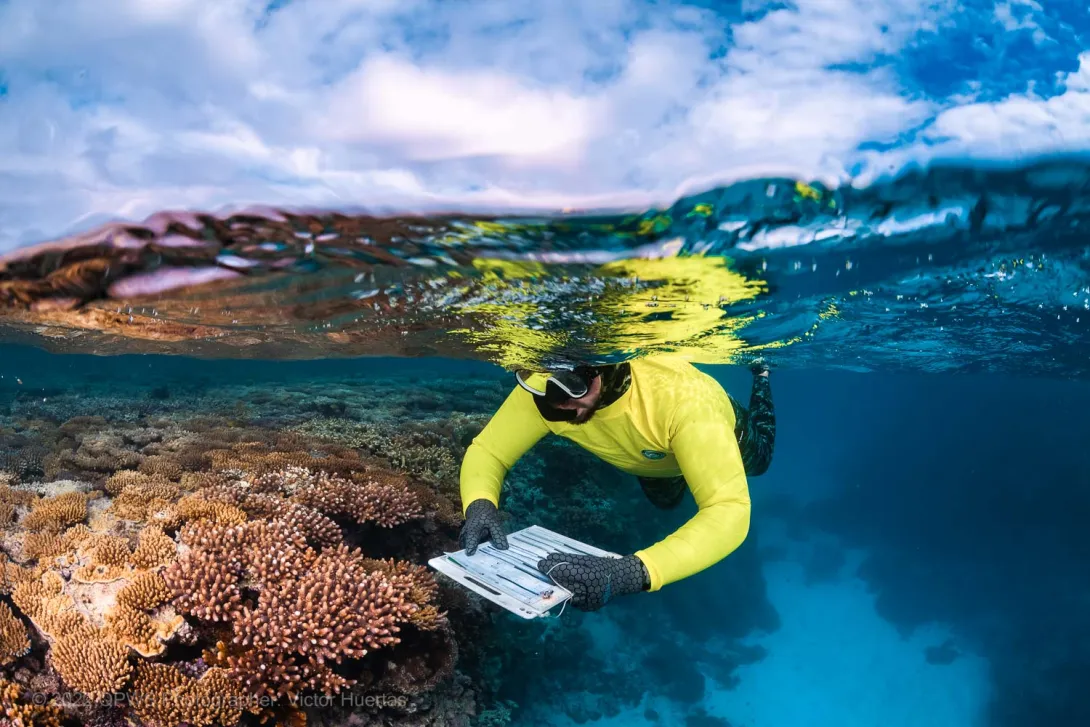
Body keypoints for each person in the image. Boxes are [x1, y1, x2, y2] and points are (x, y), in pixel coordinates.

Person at [458, 355, 776, 611]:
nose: (558, 403)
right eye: (546, 386)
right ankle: (682, 462)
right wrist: (479, 503)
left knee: (761, 460)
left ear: (607, 369)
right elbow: (488, 452)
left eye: (573, 385)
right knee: (665, 501)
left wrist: (630, 573)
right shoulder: (542, 389)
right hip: (654, 460)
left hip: (717, 431)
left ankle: (761, 375)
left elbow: (730, 511)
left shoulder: (686, 403)